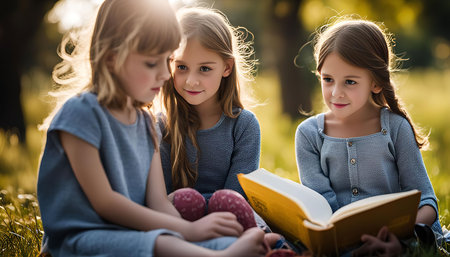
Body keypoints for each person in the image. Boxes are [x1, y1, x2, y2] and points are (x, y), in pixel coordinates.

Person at [36, 0, 269, 256]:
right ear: (113, 59)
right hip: (81, 238)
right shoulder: (80, 114)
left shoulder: (145, 122)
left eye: (166, 61)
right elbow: (105, 203)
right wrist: (189, 232)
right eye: (152, 63)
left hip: (133, 232)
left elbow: (159, 203)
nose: (167, 75)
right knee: (162, 244)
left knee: (179, 241)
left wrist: (188, 230)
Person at [294, 18, 443, 256]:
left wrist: (400, 238)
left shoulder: (395, 127)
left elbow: (426, 201)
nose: (336, 93)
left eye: (350, 81)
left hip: (397, 236)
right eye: (328, 79)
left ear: (375, 83)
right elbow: (320, 207)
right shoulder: (309, 134)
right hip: (337, 243)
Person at [159, 7, 262, 226]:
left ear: (226, 67)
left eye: (204, 68)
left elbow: (238, 196)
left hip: (231, 219)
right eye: (182, 67)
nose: (191, 81)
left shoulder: (244, 125)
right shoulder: (161, 125)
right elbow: (163, 197)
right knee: (185, 201)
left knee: (227, 201)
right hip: (180, 223)